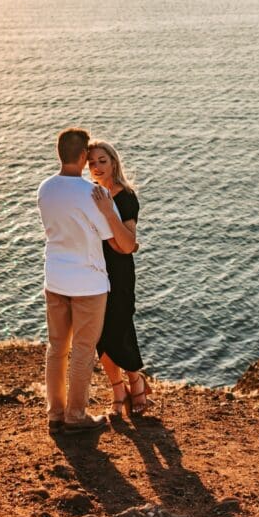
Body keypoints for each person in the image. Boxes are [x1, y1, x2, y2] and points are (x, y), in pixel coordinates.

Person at [37, 127, 137, 434]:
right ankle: (76, 416)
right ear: (82, 157)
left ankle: (55, 414)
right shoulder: (93, 194)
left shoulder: (45, 189)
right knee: (81, 350)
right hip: (89, 284)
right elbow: (123, 244)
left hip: (54, 279)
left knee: (56, 348)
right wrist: (109, 214)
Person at [88, 139, 151, 416]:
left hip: (120, 273)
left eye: (103, 160)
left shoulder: (125, 197)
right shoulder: (88, 194)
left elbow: (126, 245)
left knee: (120, 330)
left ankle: (136, 383)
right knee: (98, 336)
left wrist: (107, 211)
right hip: (93, 270)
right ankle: (117, 389)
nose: (98, 167)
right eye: (92, 163)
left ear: (114, 162)